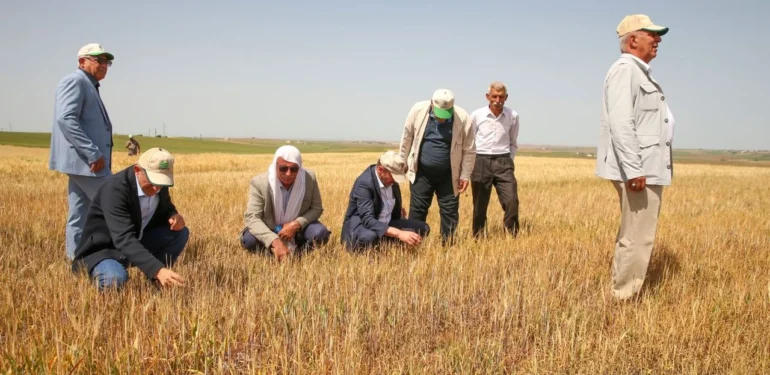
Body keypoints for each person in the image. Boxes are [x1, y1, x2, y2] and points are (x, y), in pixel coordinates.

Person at [595, 14, 674, 300]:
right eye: (651, 34)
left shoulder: (637, 71)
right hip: (640, 170)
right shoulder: (625, 70)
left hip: (645, 167)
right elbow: (621, 123)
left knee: (636, 233)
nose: (658, 39)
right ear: (632, 40)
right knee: (638, 236)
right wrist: (634, 169)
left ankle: (624, 291)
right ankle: (624, 297)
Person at [71, 148, 189, 290]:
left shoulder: (158, 184)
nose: (156, 188)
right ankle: (154, 273)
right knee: (114, 279)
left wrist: (173, 215)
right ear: (137, 170)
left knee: (180, 233)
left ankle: (157, 282)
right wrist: (157, 269)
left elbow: (166, 206)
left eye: (161, 182)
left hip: (136, 241)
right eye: (153, 181)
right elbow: (123, 238)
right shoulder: (115, 190)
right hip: (105, 251)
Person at [49, 43, 115, 260]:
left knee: (79, 214)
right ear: (82, 61)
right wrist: (92, 152)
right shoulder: (75, 81)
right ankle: (120, 257)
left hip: (83, 164)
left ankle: (75, 260)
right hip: (86, 162)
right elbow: (66, 118)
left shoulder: (89, 85)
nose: (104, 65)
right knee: (116, 206)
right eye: (99, 60)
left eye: (107, 61)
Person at [399, 89, 476, 244]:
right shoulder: (418, 110)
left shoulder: (463, 118)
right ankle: (414, 245)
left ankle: (448, 246)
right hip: (422, 173)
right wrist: (401, 161)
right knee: (417, 211)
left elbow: (469, 150)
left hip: (449, 175)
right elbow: (407, 137)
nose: (442, 118)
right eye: (440, 113)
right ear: (432, 104)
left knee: (450, 213)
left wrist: (465, 175)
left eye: (446, 114)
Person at [240, 146, 330, 261]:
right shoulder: (259, 183)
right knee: (249, 240)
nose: (288, 173)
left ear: (299, 167)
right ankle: (273, 255)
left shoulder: (308, 178)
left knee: (320, 233)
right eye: (283, 168)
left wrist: (296, 224)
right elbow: (252, 217)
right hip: (270, 228)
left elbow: (316, 208)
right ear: (275, 165)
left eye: (294, 169)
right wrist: (274, 240)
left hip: (298, 231)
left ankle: (298, 256)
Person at [341, 151, 430, 250]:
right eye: (393, 176)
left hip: (386, 223)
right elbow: (368, 220)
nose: (395, 180)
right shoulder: (364, 184)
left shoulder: (391, 181)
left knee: (423, 228)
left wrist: (394, 209)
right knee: (369, 237)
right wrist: (399, 233)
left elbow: (383, 203)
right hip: (363, 227)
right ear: (380, 170)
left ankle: (387, 245)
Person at [469, 82, 521, 238]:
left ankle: (511, 235)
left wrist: (508, 160)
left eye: (501, 97)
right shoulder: (477, 115)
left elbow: (513, 142)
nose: (497, 100)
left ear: (506, 97)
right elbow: (470, 141)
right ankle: (478, 237)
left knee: (512, 201)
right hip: (481, 160)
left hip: (503, 161)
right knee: (480, 204)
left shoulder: (513, 116)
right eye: (494, 96)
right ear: (488, 97)